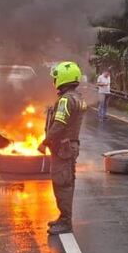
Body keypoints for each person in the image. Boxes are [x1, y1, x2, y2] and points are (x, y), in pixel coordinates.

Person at [42, 61, 87, 235]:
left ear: (62, 78)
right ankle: (63, 217)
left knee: (63, 185)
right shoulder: (77, 98)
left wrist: (45, 142)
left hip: (63, 148)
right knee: (65, 182)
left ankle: (66, 222)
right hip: (69, 147)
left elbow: (59, 125)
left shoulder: (66, 100)